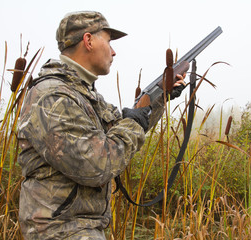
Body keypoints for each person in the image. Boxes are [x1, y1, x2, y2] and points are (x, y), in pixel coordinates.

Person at [17, 11, 185, 240]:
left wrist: (159, 98)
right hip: (60, 230)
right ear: (88, 41)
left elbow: (123, 130)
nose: (113, 51)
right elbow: (98, 164)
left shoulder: (84, 95)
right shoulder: (53, 96)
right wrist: (134, 122)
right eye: (108, 41)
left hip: (82, 228)